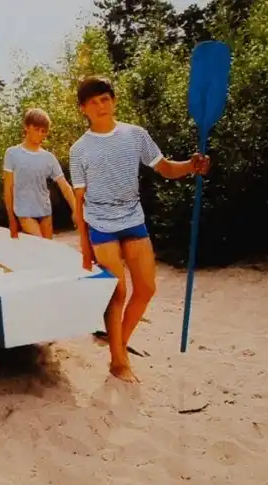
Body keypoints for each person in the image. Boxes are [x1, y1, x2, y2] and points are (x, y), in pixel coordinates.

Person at [70, 76, 210, 384]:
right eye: (93, 102)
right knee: (117, 292)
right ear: (83, 109)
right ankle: (118, 361)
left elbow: (165, 167)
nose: (100, 106)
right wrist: (85, 247)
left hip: (132, 218)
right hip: (100, 225)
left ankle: (118, 344)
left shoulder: (135, 135)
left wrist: (191, 165)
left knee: (146, 288)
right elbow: (78, 202)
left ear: (114, 100)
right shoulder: (79, 149)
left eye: (105, 99)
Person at [3, 108, 76, 239]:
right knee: (39, 243)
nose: (40, 134)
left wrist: (76, 210)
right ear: (27, 127)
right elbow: (8, 188)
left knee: (48, 249)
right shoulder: (12, 154)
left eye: (43, 131)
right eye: (37, 129)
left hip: (45, 212)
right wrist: (12, 220)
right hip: (24, 212)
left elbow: (64, 186)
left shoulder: (48, 158)